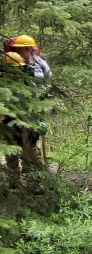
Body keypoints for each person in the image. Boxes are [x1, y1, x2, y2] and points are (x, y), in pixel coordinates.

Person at [2, 35, 51, 167]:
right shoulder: (8, 62)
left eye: (22, 49)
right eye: (17, 49)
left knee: (30, 144)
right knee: (11, 144)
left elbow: (47, 82)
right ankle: (13, 177)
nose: (18, 51)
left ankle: (32, 177)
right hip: (10, 113)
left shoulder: (40, 63)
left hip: (32, 113)